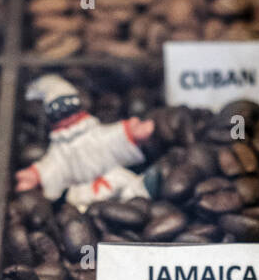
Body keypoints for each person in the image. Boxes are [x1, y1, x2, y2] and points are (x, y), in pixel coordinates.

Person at [14, 74, 155, 211]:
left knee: (130, 187)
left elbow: (114, 137)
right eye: (59, 114)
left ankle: (147, 193)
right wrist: (35, 175)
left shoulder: (96, 134)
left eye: (70, 110)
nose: (67, 118)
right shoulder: (60, 151)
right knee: (81, 206)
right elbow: (53, 167)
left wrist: (132, 133)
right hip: (84, 190)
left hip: (112, 176)